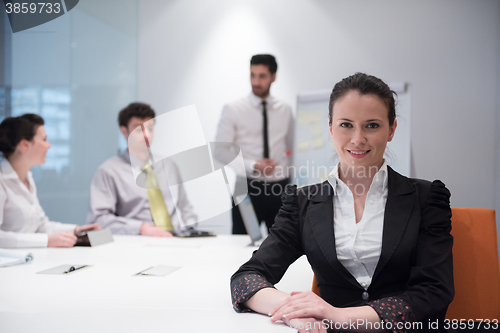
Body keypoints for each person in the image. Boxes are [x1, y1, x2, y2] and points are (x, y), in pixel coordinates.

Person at [230, 73, 454, 333]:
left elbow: (434, 292)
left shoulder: (426, 198)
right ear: (330, 128)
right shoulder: (303, 204)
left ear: (391, 129)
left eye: (372, 125)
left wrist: (336, 315)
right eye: (346, 125)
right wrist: (292, 310)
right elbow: (246, 279)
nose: (357, 139)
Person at [86, 102, 197, 237]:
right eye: (139, 129)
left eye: (150, 128)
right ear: (124, 131)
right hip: (136, 243)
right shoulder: (108, 171)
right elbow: (98, 220)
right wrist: (141, 228)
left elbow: (185, 207)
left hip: (177, 241)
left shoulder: (168, 166)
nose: (147, 135)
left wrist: (191, 230)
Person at [215, 54, 294, 234]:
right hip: (248, 188)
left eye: (262, 76)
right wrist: (254, 166)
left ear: (273, 77)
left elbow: (292, 149)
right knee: (242, 244)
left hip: (280, 189)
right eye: (252, 75)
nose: (256, 81)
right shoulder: (234, 109)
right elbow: (220, 151)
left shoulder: (285, 110)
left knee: (285, 243)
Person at [0, 114, 99, 248]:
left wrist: (75, 230)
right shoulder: (2, 181)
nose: (49, 145)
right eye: (44, 139)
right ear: (25, 145)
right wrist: (46, 241)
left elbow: (41, 225)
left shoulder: (28, 178)